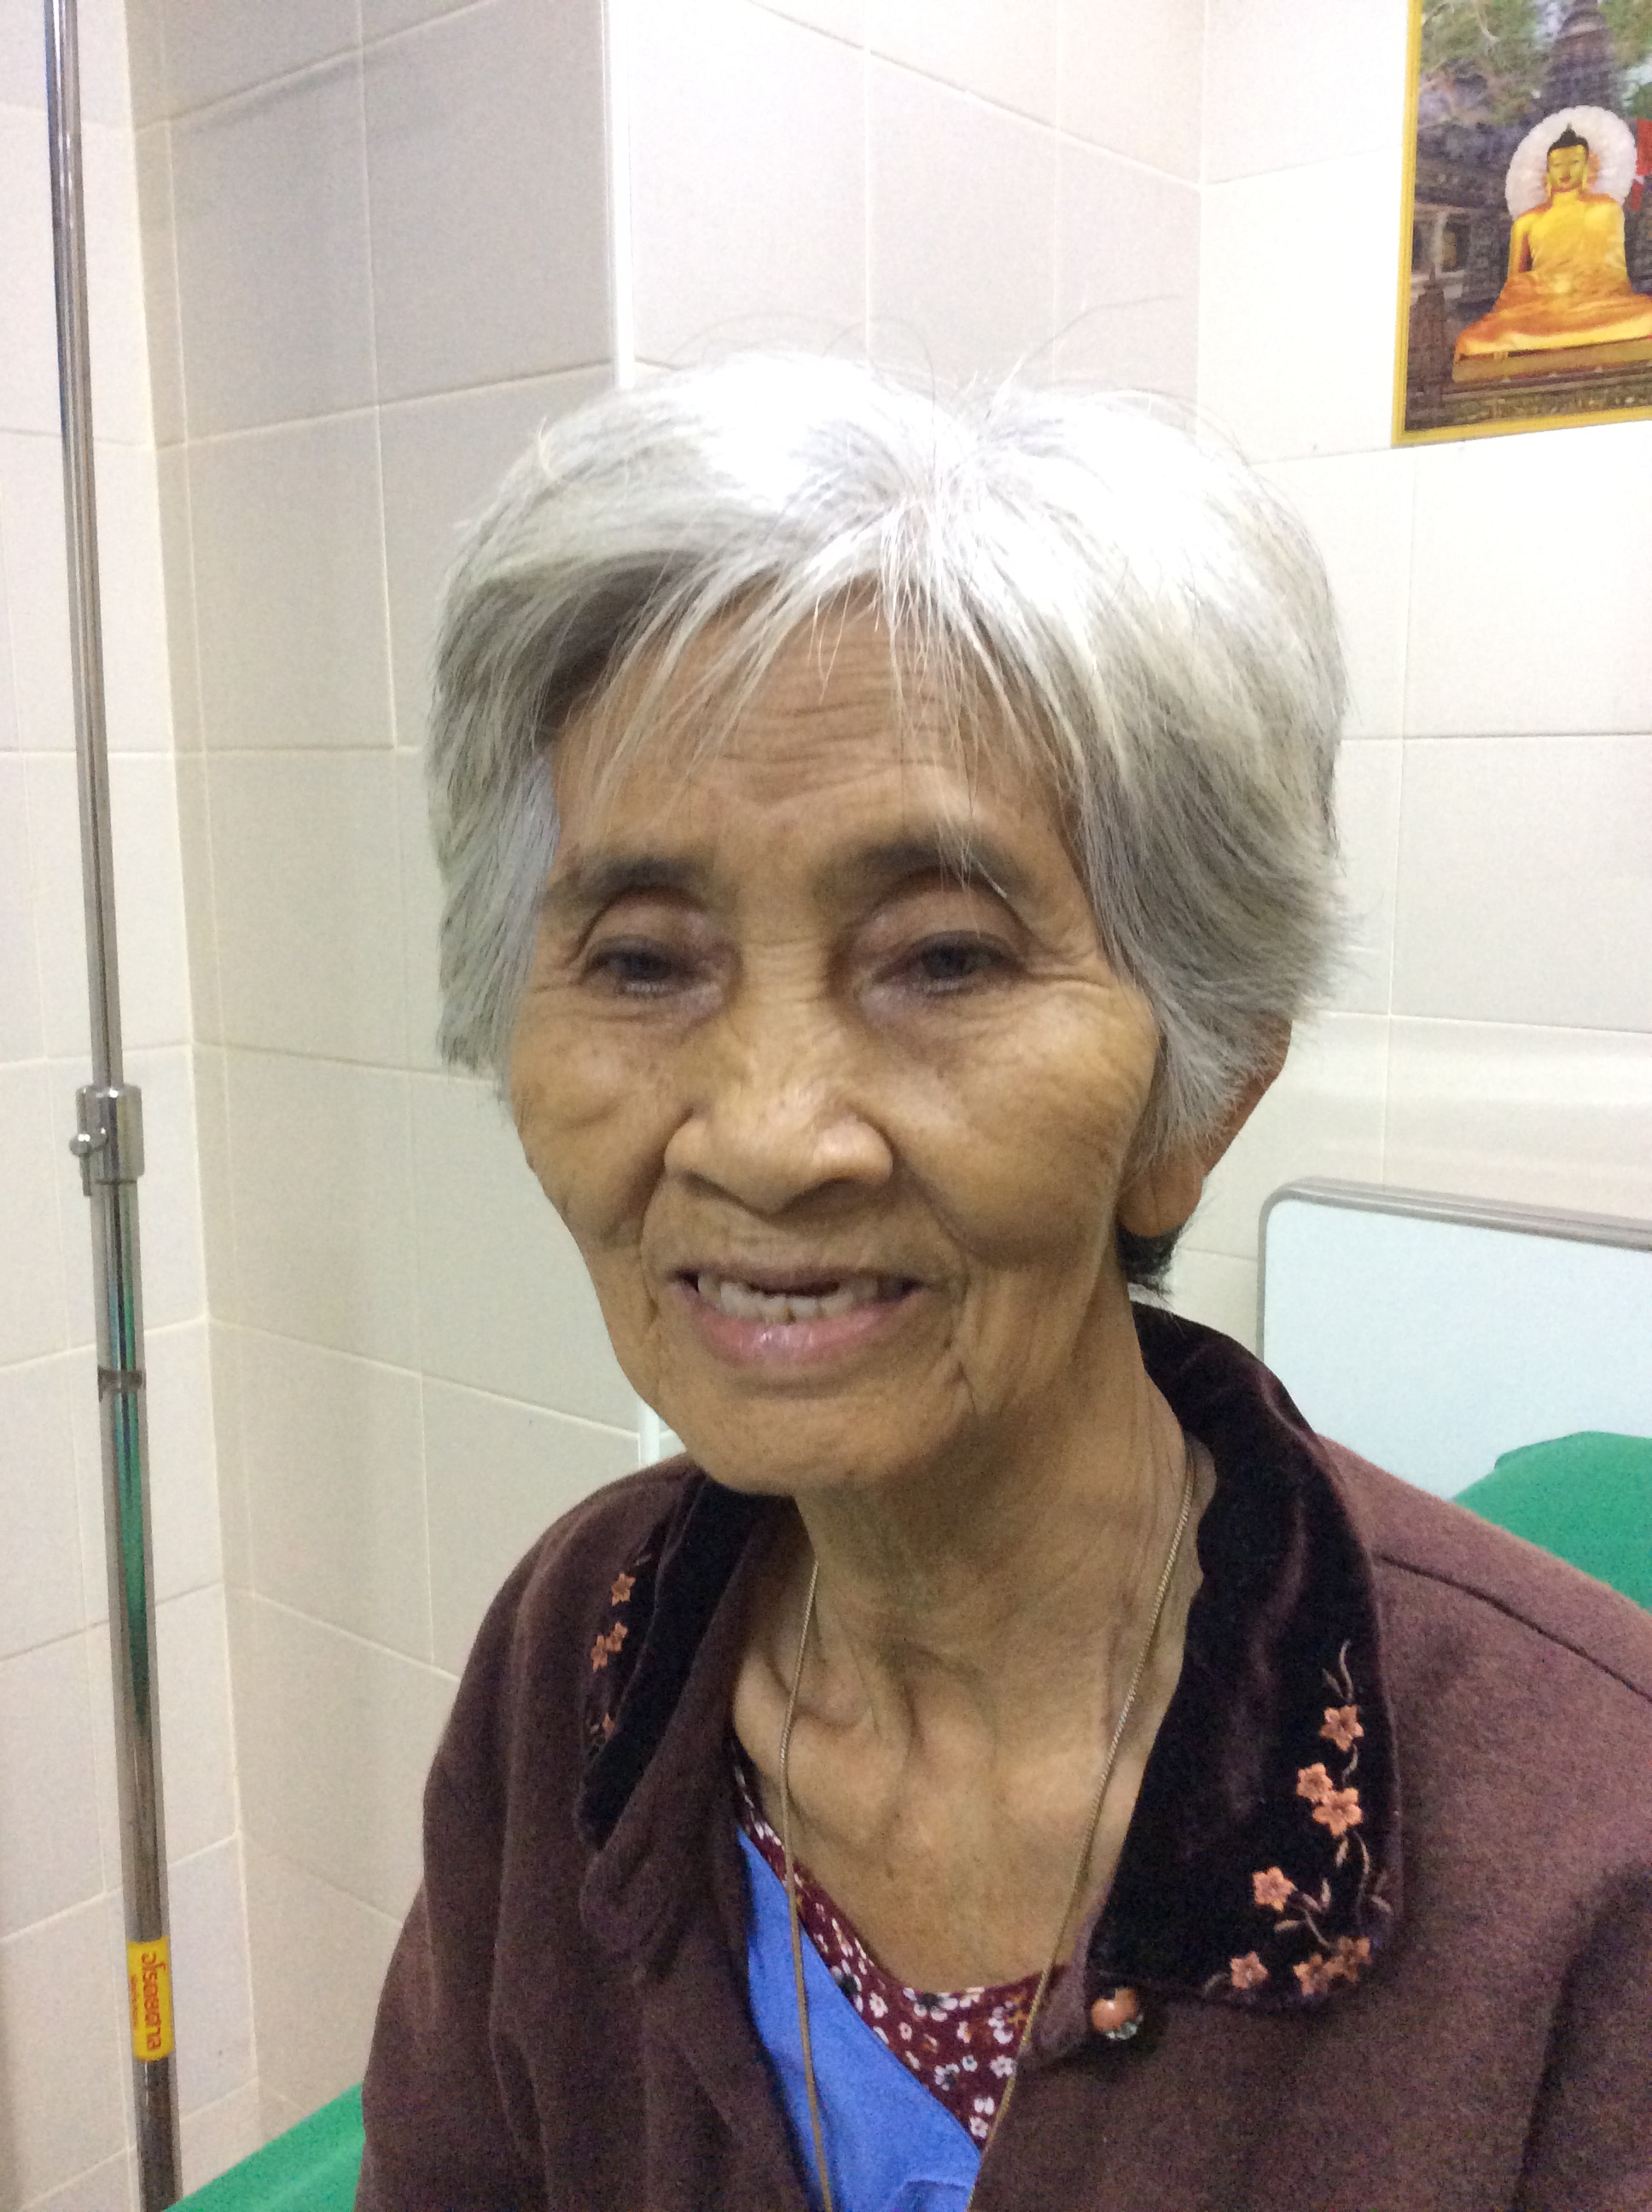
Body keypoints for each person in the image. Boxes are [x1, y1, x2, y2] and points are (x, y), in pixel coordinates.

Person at [356, 357, 1652, 2212]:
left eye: (943, 959)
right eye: (641, 961)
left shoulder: (1589, 1857)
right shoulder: (585, 1650)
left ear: (1202, 1086)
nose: (769, 1135)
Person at [1454, 120, 1652, 370]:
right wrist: (1541, 286)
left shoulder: (1605, 208)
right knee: (1472, 339)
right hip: (1540, 308)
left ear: (1588, 167)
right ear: (1547, 171)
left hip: (1596, 305)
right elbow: (1514, 284)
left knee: (1647, 317)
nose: (1565, 171)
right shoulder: (1527, 221)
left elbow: (1615, 278)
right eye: (1557, 165)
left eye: (1574, 162)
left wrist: (1581, 285)